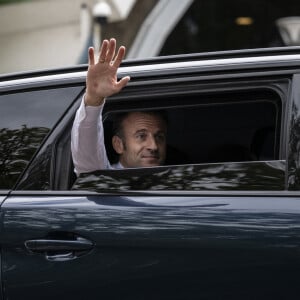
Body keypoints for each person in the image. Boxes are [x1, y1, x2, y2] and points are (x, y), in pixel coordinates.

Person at [71, 38, 167, 175]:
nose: (154, 146)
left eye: (159, 137)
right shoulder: (106, 182)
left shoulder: (177, 184)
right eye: (141, 136)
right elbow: (88, 163)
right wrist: (94, 98)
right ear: (118, 144)